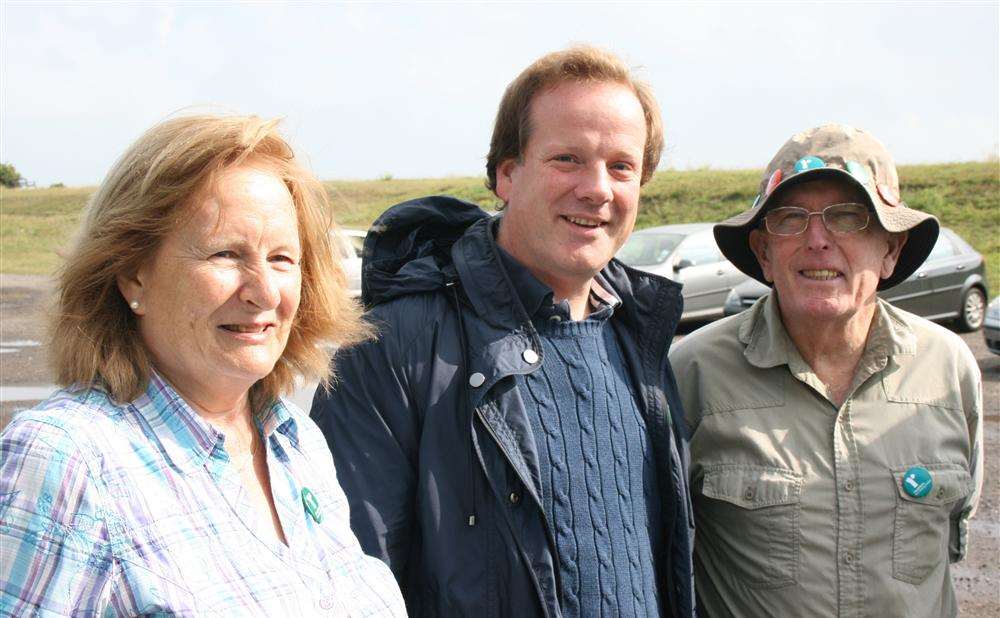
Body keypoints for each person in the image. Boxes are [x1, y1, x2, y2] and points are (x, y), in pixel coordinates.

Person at [310, 46, 695, 617]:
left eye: (622, 166)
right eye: (567, 158)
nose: (598, 189)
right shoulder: (395, 349)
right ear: (506, 173)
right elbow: (348, 585)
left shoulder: (640, 340)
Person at [0, 115, 406, 616]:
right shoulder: (71, 460)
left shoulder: (295, 443)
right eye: (225, 254)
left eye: (282, 258)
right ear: (132, 276)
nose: (263, 292)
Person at [669, 124, 983, 617]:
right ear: (763, 253)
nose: (817, 240)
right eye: (791, 219)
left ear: (890, 251)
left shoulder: (949, 368)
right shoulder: (693, 374)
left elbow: (950, 538)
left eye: (849, 218)